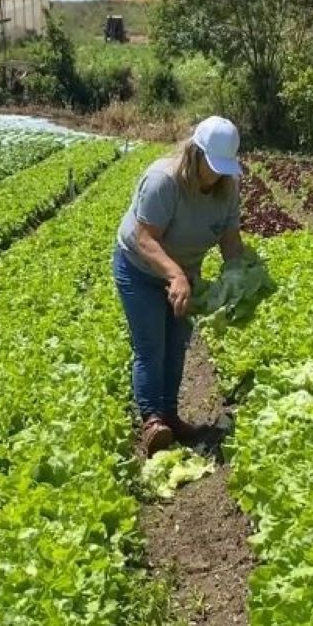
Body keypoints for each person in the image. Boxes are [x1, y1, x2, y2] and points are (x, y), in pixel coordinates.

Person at [114, 116, 246, 457]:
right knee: (151, 346)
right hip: (141, 268)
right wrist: (175, 275)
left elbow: (231, 242)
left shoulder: (228, 188)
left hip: (185, 273)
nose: (216, 175)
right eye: (212, 166)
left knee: (176, 345)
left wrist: (240, 282)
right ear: (195, 154)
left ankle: (170, 416)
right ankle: (152, 422)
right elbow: (145, 239)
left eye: (223, 168)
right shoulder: (164, 181)